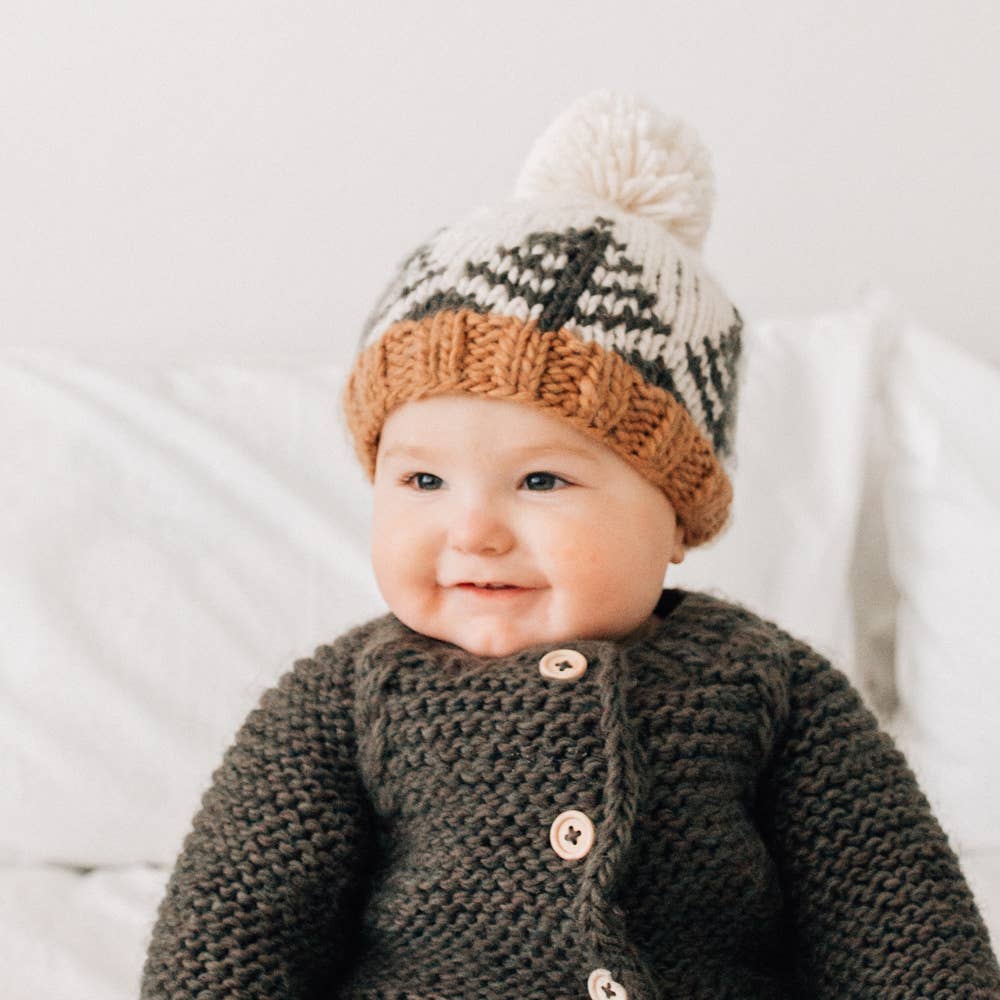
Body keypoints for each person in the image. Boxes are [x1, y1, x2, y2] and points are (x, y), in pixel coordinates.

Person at [140, 91, 1000, 999]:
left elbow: (895, 917)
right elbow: (231, 928)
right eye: (422, 481)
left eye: (542, 480)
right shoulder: (344, 702)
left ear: (675, 516)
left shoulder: (768, 688)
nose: (473, 529)